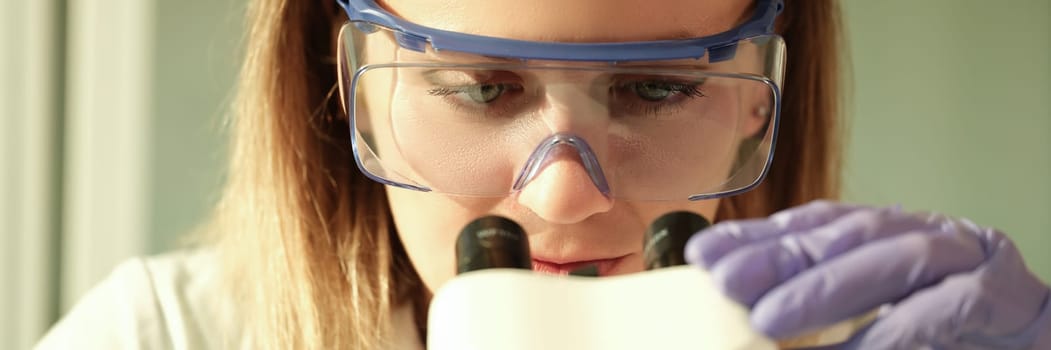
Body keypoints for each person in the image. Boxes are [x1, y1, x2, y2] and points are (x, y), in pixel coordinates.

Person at [36, 0, 1050, 349]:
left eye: (655, 91)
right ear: (346, 85)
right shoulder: (160, 335)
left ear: (762, 95)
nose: (566, 194)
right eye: (480, 89)